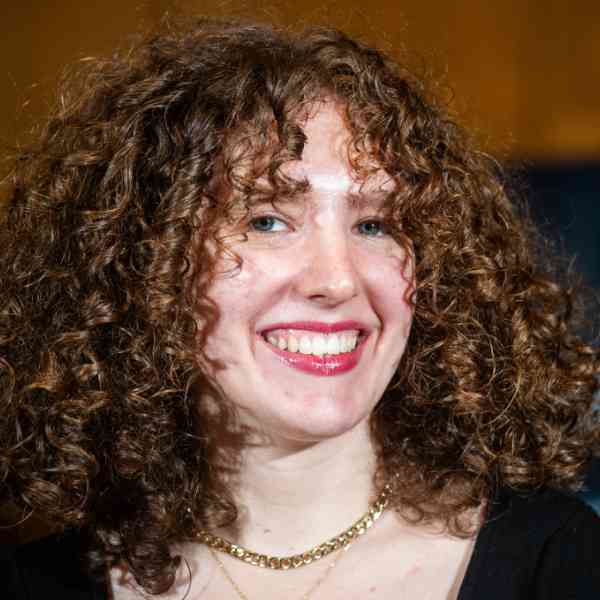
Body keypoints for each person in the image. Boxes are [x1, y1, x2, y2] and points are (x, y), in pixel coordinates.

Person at [1, 17, 599, 600]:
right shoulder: (34, 582)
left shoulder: (566, 561)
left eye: (375, 224)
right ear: (141, 261)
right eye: (266, 220)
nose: (337, 279)